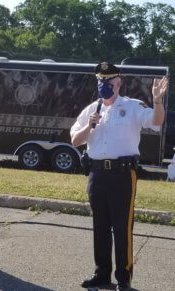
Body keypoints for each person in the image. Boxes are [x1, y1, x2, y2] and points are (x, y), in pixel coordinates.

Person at [70, 62, 168, 291]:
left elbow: (156, 121)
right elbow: (75, 140)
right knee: (100, 226)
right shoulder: (90, 110)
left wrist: (156, 101)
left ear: (119, 84)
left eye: (110, 82)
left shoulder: (132, 106)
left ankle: (124, 278)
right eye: (101, 82)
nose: (105, 86)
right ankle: (101, 274)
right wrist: (89, 127)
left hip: (123, 175)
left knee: (122, 227)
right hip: (96, 174)